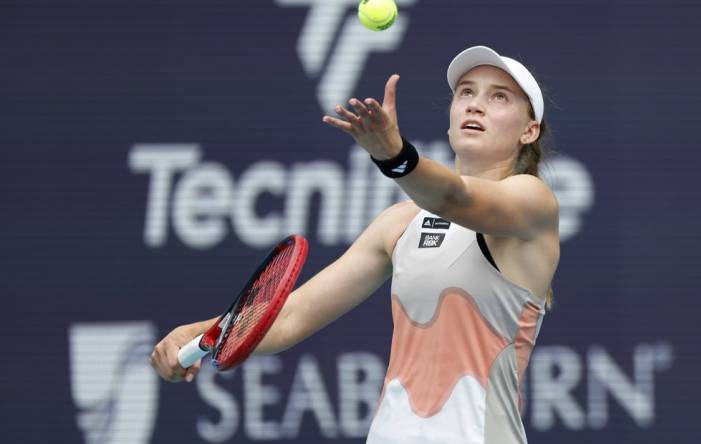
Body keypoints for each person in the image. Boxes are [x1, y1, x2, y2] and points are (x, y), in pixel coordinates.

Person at [150, 45, 560, 444]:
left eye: (499, 97)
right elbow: (290, 316)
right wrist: (196, 334)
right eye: (466, 92)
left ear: (529, 130)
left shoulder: (532, 202)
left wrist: (396, 157)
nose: (475, 104)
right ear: (451, 118)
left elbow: (455, 199)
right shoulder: (400, 223)